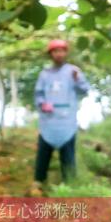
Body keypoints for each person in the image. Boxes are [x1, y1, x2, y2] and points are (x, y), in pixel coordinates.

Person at [30, 39, 90, 195]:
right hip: (49, 120)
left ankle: (69, 183)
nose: (59, 54)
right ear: (51, 54)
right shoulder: (44, 74)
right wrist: (43, 104)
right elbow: (38, 95)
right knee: (43, 152)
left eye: (61, 51)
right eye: (55, 51)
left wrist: (78, 79)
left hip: (66, 120)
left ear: (66, 53)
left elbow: (85, 90)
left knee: (68, 154)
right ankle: (38, 182)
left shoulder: (73, 71)